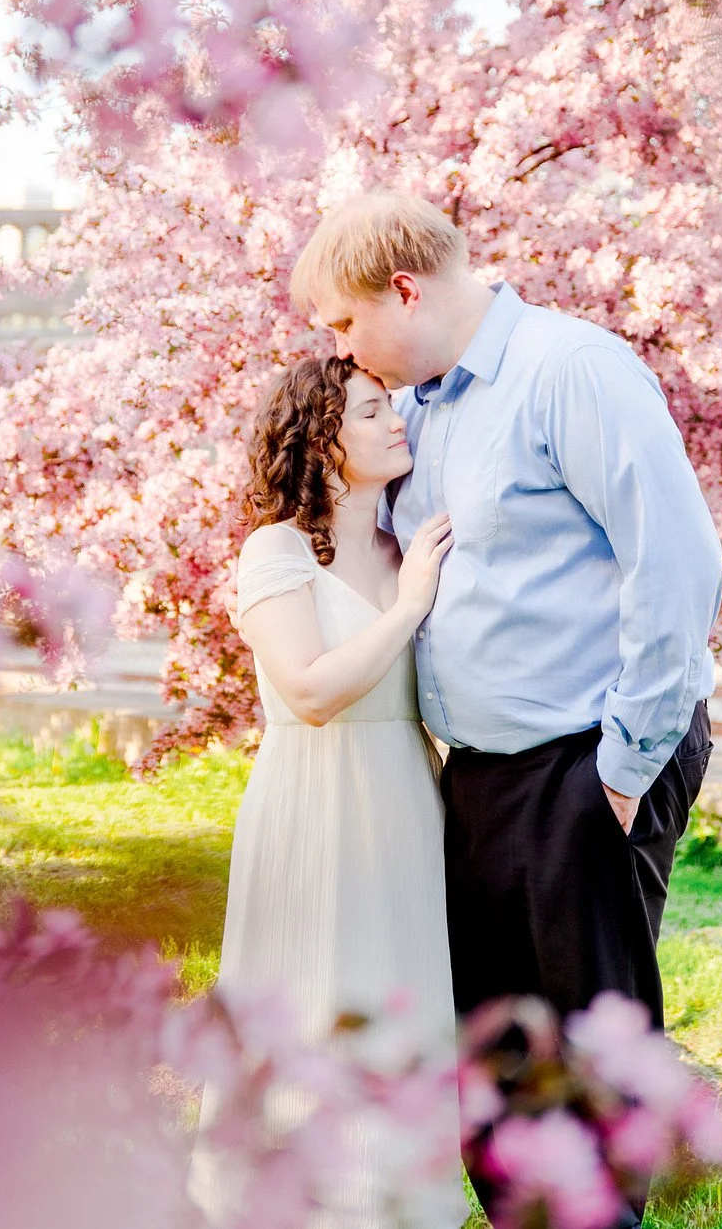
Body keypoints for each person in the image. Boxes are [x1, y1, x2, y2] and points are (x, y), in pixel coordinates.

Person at [291, 190, 722, 1224]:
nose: (344, 353)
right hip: (482, 773)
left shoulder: (570, 370)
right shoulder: (425, 408)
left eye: (347, 324)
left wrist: (620, 770)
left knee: (581, 1073)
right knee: (492, 1066)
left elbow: (674, 565)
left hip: (584, 759)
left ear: (406, 287)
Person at [189, 355, 468, 1229]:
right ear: (322, 438)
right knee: (311, 998)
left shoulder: (406, 539)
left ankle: (401, 1204)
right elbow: (308, 692)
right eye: (374, 412)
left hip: (406, 795)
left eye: (395, 409)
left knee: (401, 998)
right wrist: (409, 605)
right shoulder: (274, 551)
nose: (398, 424)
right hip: (314, 795)